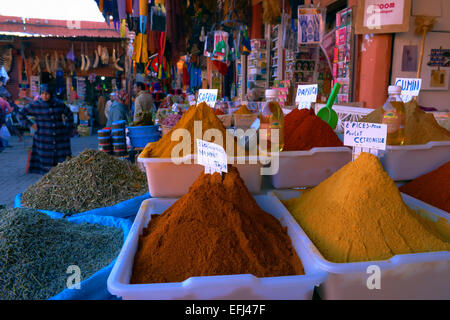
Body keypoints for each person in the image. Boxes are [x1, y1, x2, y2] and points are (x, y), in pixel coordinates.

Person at [17, 84, 74, 175]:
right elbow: (20, 114)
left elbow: (70, 115)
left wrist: (67, 129)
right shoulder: (35, 105)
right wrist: (31, 125)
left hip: (60, 139)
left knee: (61, 165)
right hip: (43, 139)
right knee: (46, 166)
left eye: (47, 94)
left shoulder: (58, 104)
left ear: (51, 94)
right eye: (42, 93)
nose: (44, 96)